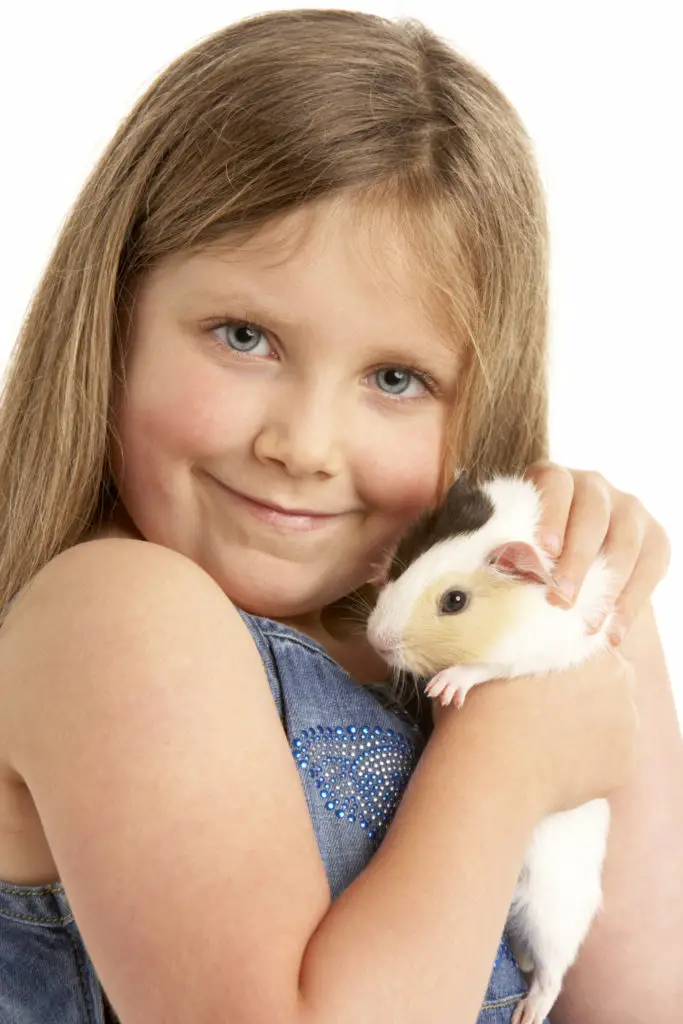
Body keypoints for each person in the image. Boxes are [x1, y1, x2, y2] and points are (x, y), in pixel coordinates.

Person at [0, 9, 676, 1024]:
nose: (304, 445)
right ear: (115, 317)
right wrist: (501, 763)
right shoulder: (117, 619)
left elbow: (638, 1002)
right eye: (244, 336)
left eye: (396, 378)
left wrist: (584, 625)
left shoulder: (437, 647)